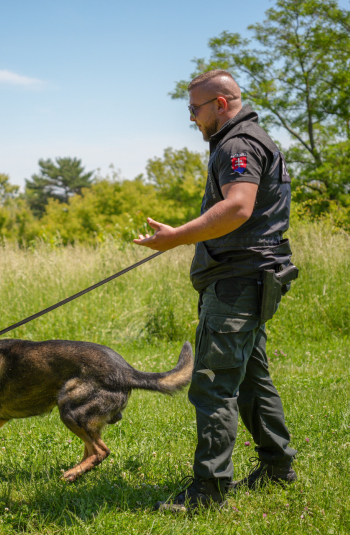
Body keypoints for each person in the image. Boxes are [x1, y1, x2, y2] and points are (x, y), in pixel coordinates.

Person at [133, 70, 297, 512]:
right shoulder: (252, 138)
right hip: (252, 277)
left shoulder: (238, 144)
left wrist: (177, 237)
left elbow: (239, 206)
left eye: (194, 109)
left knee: (212, 385)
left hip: (238, 281)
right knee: (251, 379)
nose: (191, 118)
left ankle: (208, 492)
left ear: (220, 104)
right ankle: (278, 467)